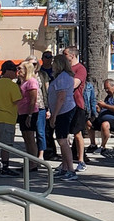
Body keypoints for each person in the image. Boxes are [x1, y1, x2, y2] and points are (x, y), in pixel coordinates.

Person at [47, 53, 79, 181]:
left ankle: (71, 169)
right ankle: (65, 167)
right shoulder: (61, 77)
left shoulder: (63, 77)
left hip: (63, 111)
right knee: (61, 139)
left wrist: (54, 115)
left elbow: (61, 98)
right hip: (61, 111)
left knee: (62, 141)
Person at [0, 60, 22, 176]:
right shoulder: (12, 85)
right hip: (6, 118)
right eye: (14, 70)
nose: (16, 73)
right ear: (8, 71)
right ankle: (5, 167)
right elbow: (17, 100)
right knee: (6, 145)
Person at [62, 46, 89, 172]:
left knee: (77, 133)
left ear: (72, 55)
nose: (63, 56)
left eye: (65, 54)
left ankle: (81, 160)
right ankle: (66, 162)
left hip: (77, 105)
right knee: (64, 135)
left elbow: (74, 84)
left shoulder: (80, 69)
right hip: (65, 105)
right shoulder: (65, 69)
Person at [87, 78, 114, 153]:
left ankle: (103, 146)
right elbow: (107, 109)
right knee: (88, 122)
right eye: (105, 89)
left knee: (105, 125)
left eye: (107, 88)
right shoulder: (109, 96)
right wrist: (99, 110)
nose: (106, 91)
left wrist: (105, 105)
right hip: (103, 118)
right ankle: (93, 144)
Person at [16, 59, 42, 168]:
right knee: (25, 137)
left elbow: (33, 100)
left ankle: (33, 163)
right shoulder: (23, 81)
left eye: (20, 68)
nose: (18, 70)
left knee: (30, 138)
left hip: (30, 112)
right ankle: (29, 161)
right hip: (22, 112)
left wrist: (30, 115)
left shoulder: (32, 81)